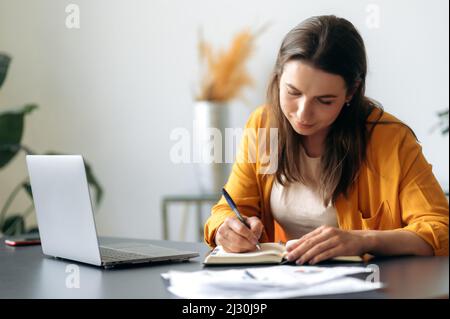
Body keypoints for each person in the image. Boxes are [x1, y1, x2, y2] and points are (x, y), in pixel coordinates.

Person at [204, 15, 449, 264]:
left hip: (368, 286)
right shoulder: (264, 127)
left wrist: (363, 239)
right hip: (281, 281)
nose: (303, 114)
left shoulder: (390, 140)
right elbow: (230, 208)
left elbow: (440, 228)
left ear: (351, 92)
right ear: (278, 79)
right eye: (293, 92)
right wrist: (228, 228)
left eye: (325, 101)